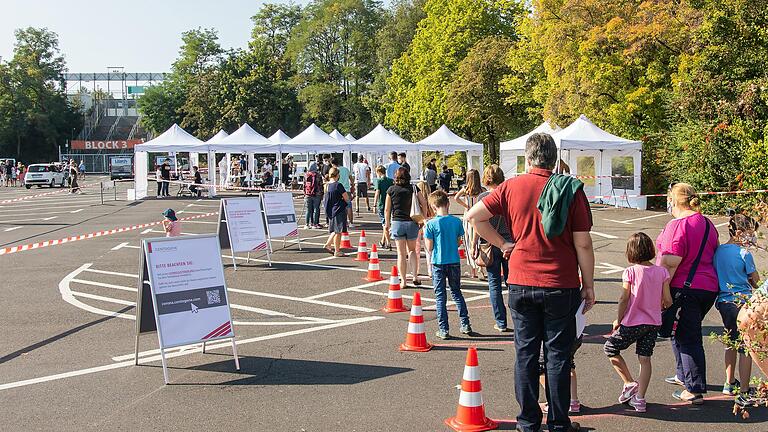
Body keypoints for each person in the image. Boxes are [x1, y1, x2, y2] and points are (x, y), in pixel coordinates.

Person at [466, 132, 594, 432]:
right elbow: (583, 244)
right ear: (553, 158)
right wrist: (588, 285)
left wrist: (502, 244)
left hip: (521, 280)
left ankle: (528, 421)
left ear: (527, 156)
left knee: (525, 353)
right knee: (558, 356)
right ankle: (559, 423)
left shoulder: (511, 186)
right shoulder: (569, 189)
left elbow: (474, 216)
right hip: (560, 282)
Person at [658, 183, 719, 405]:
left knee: (688, 336)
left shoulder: (678, 225)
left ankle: (694, 389)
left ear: (673, 200)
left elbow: (669, 264)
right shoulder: (707, 223)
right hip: (707, 287)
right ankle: (682, 374)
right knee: (680, 331)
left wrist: (663, 293)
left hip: (685, 288)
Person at [604, 233, 673, 413]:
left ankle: (629, 382)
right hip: (653, 322)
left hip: (633, 321)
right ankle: (640, 399)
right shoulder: (662, 272)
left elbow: (623, 298)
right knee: (645, 358)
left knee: (610, 349)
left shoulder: (630, 272)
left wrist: (618, 320)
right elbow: (668, 300)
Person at [713, 213, 760, 403]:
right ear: (739, 233)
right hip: (743, 302)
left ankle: (729, 382)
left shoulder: (719, 251)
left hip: (724, 302)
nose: (752, 238)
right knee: (746, 347)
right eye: (750, 234)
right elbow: (755, 280)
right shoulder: (744, 254)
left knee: (730, 341)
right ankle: (745, 390)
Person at [424, 190, 471, 339]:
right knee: (457, 293)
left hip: (438, 262)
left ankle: (444, 329)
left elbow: (429, 247)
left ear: (433, 206)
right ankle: (465, 324)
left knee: (440, 296)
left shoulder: (431, 224)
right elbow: (458, 242)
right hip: (454, 261)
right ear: (448, 203)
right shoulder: (456, 221)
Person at [474, 165, 511, 332]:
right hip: (509, 241)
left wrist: (474, 243)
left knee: (494, 283)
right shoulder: (508, 195)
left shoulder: (483, 197)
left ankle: (501, 322)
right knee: (513, 283)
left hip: (489, 242)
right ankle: (520, 320)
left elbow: (476, 222)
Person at [385, 167, 428, 289]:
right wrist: (423, 218)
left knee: (401, 253)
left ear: (396, 177)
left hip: (397, 222)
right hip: (412, 222)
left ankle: (403, 281)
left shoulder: (391, 190)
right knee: (412, 251)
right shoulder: (413, 188)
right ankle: (415, 276)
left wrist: (387, 224)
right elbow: (424, 202)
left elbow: (387, 209)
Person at [454, 169, 485, 279]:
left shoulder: (466, 189)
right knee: (479, 241)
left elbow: (456, 198)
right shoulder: (482, 190)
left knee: (468, 241)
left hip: (468, 216)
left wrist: (466, 206)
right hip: (480, 216)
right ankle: (481, 267)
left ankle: (473, 270)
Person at [322, 167, 349, 257]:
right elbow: (346, 198)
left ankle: (328, 244)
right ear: (338, 175)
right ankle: (337, 250)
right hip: (339, 209)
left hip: (331, 210)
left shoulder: (327, 185)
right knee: (338, 231)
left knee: (335, 229)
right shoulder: (338, 185)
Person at [416, 179, 436, 278]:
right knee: (429, 249)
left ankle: (417, 269)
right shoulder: (431, 200)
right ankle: (431, 270)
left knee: (416, 248)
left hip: (418, 223)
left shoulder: (417, 201)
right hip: (430, 222)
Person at [373, 165, 393, 249]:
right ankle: (383, 241)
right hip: (390, 204)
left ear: (379, 172)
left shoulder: (379, 181)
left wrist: (374, 204)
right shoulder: (390, 180)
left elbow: (377, 193)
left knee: (385, 224)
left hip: (382, 204)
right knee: (387, 223)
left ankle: (388, 243)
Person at [333, 159, 354, 228]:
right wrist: (352, 185)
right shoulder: (345, 169)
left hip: (338, 190)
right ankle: (351, 222)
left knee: (340, 207)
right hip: (347, 190)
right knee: (349, 206)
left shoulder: (334, 171)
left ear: (333, 164)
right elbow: (351, 178)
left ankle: (343, 222)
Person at [304, 164, 323, 229]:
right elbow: (321, 185)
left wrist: (305, 193)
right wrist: (322, 193)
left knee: (308, 209)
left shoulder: (306, 175)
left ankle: (307, 224)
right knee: (316, 209)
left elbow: (304, 185)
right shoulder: (318, 175)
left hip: (308, 194)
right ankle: (315, 224)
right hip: (317, 194)